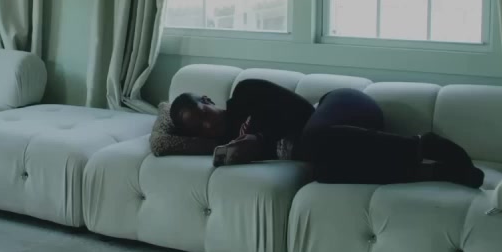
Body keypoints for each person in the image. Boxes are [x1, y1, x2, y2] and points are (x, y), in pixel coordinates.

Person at [169, 79, 483, 187]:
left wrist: (260, 139)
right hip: (340, 144)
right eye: (197, 128)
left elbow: (301, 111)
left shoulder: (245, 93)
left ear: (208, 100)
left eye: (203, 114)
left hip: (344, 104)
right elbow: (162, 139)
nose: (207, 126)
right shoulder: (228, 147)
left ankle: (425, 146)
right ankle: (439, 173)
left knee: (313, 141)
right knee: (323, 171)